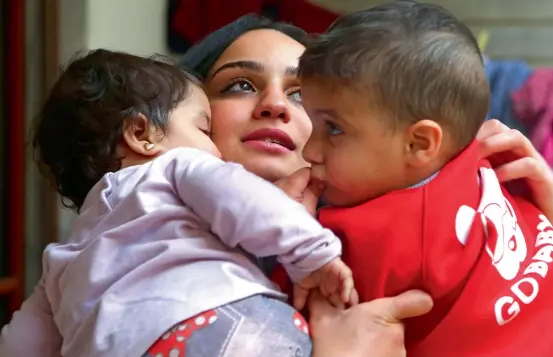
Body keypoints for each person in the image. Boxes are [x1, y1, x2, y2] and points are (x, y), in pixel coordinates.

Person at [0, 13, 553, 357]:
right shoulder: (115, 281)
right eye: (237, 86)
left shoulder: (428, 221)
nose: (275, 107)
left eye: (306, 98)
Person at [296, 1, 553, 356]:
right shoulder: (485, 157)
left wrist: (289, 223)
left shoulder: (379, 239)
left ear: (420, 143)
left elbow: (312, 297)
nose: (310, 151)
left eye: (333, 129)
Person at [28, 48, 362, 357]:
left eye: (300, 94)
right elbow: (239, 196)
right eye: (205, 129)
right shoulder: (175, 166)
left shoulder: (62, 256)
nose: (215, 152)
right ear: (142, 135)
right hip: (216, 324)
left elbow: (25, 342)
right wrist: (311, 250)